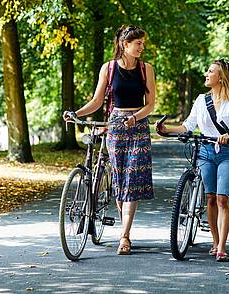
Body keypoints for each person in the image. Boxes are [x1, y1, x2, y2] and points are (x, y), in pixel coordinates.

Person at [63, 25, 156, 255]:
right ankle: (124, 229)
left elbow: (151, 103)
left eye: (142, 44)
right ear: (125, 45)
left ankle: (125, 237)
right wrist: (77, 113)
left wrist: (135, 118)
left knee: (132, 180)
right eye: (138, 44)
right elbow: (97, 101)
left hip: (139, 125)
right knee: (119, 180)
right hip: (115, 126)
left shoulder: (146, 69)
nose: (142, 47)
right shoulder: (109, 68)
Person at [156, 59, 229, 262]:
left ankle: (222, 247)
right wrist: (167, 130)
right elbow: (188, 125)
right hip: (205, 152)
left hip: (227, 154)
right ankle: (215, 241)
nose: (206, 75)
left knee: (222, 199)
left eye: (210, 71)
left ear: (222, 77)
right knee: (210, 197)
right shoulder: (201, 100)